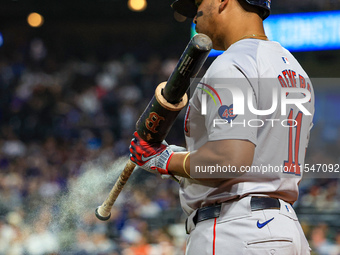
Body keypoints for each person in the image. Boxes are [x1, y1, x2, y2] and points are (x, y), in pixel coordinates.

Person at [129, 0, 315, 254]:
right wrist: (174, 160)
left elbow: (230, 159)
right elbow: (250, 159)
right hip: (282, 228)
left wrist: (164, 159)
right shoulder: (293, 68)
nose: (195, 17)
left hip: (235, 228)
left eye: (198, 5)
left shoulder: (232, 63)